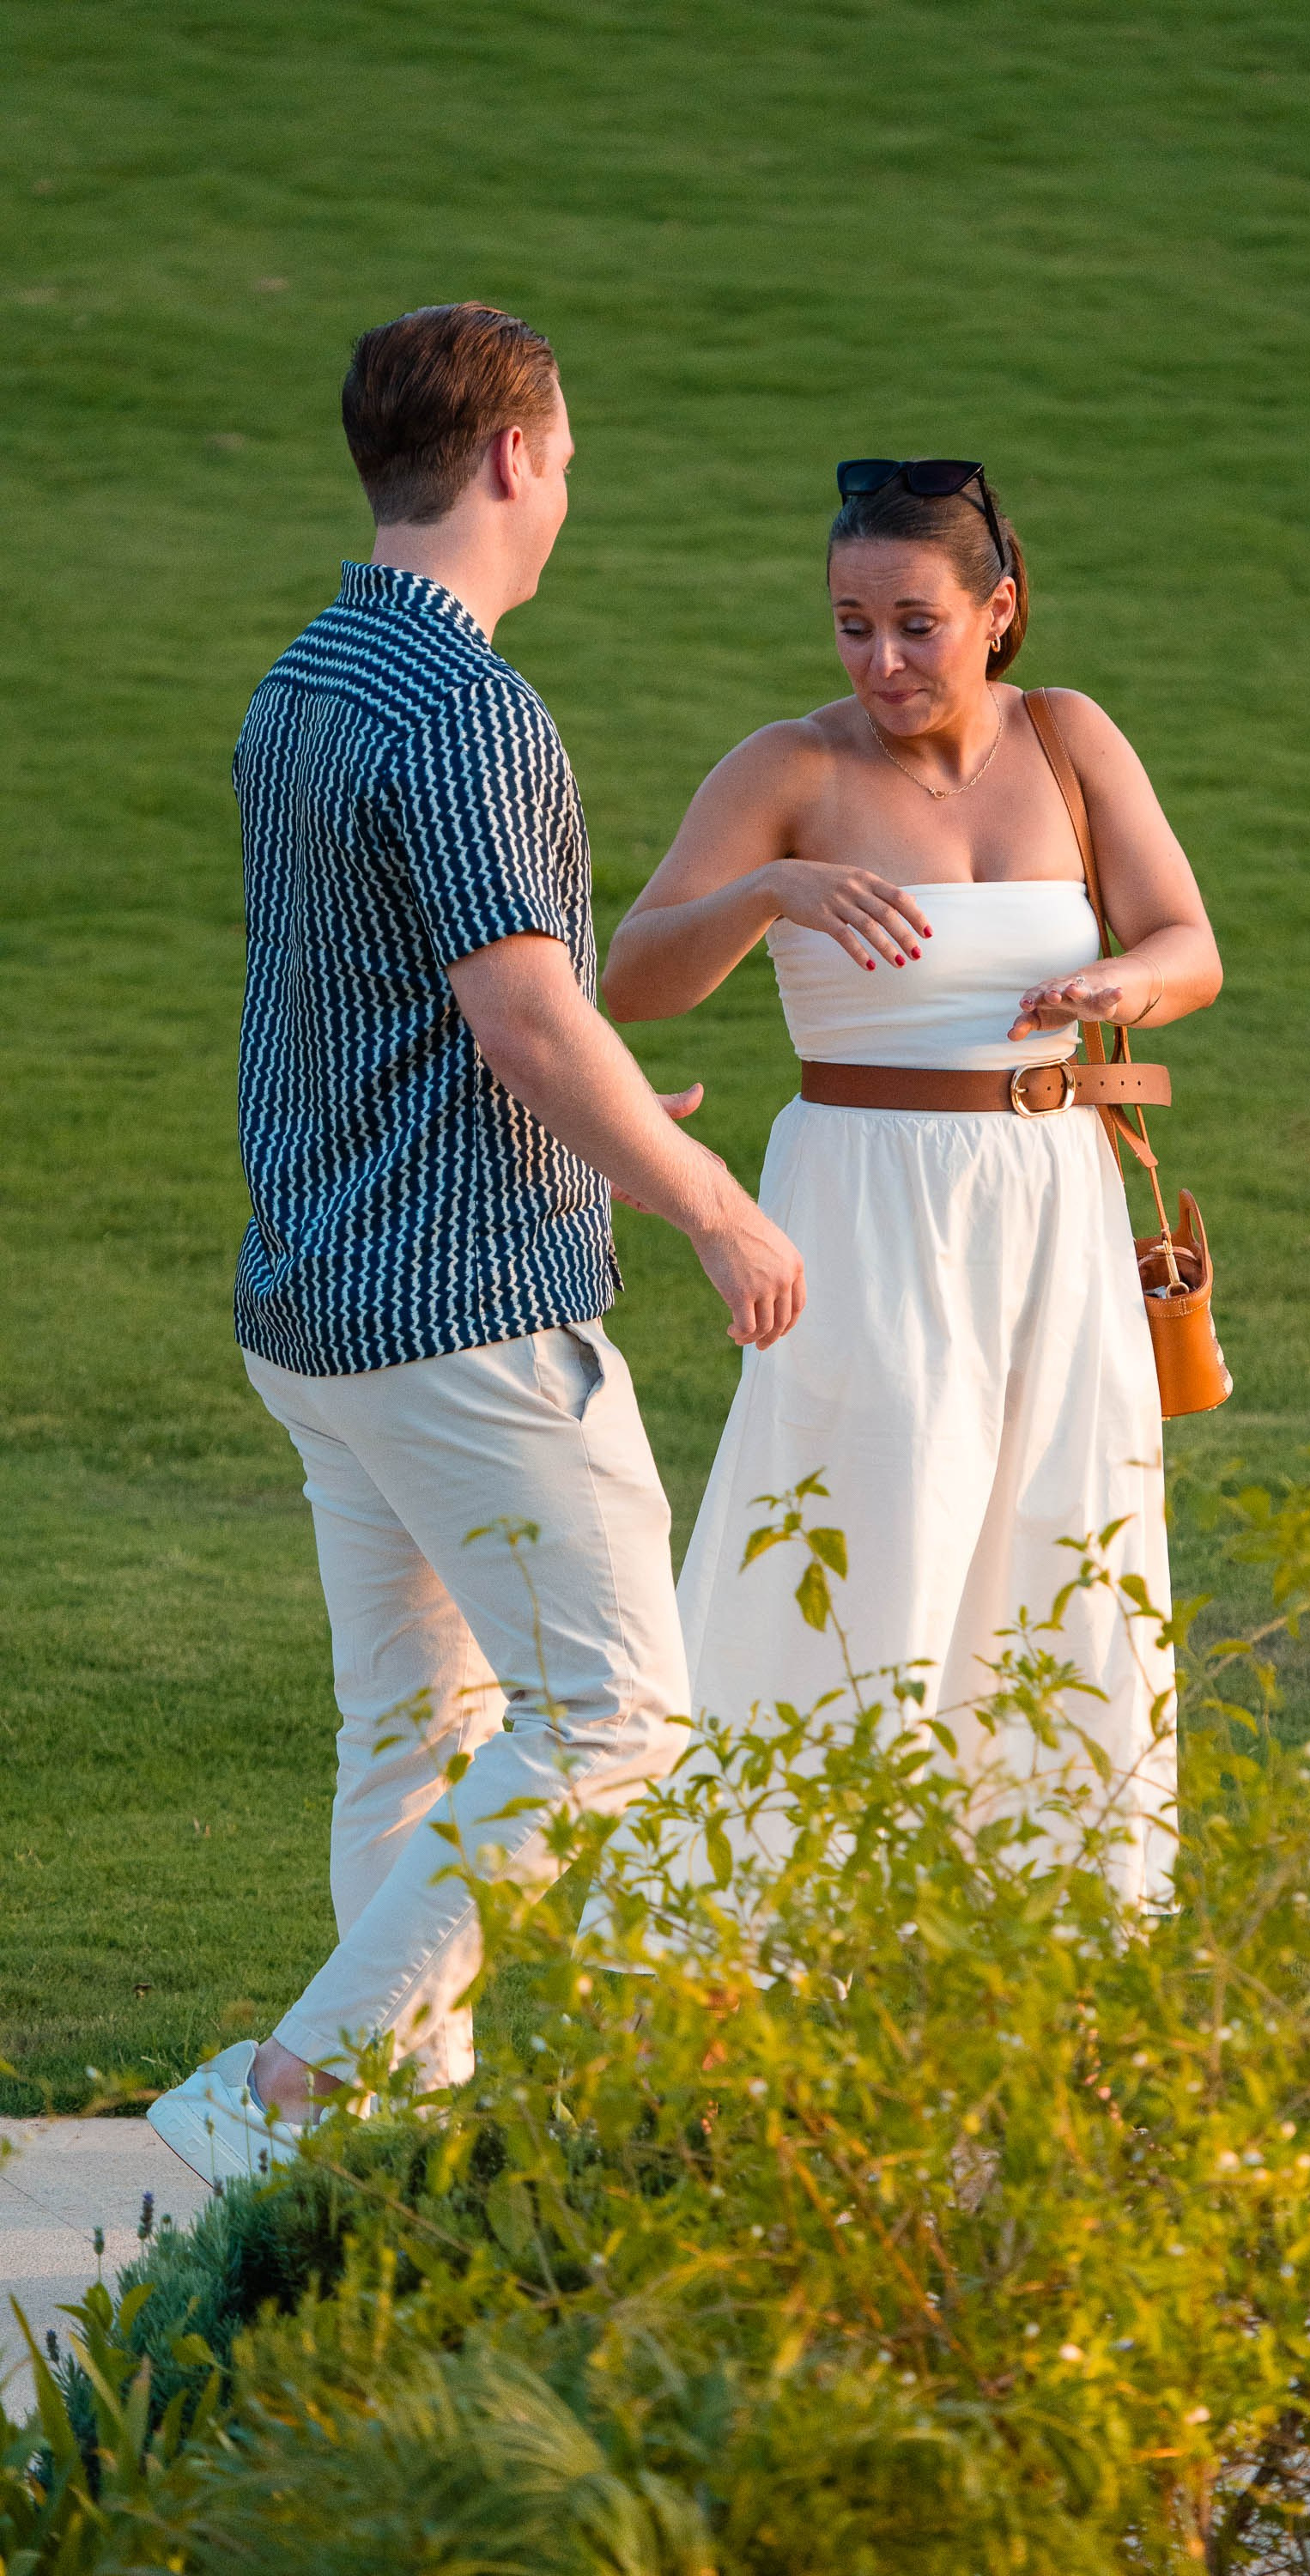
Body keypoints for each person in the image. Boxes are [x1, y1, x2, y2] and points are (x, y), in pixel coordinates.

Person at [148, 304, 804, 2184]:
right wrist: (714, 1205)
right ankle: (287, 2090)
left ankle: (364, 2167)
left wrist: (592, 1104)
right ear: (514, 457)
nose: (569, 488)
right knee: (613, 1711)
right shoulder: (460, 706)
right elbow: (523, 1014)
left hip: (320, 1311)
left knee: (414, 1740)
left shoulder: (308, 679)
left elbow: (406, 1007)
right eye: (571, 457)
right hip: (465, 1319)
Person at [603, 459, 1222, 1906]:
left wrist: (1123, 976)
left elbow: (1190, 941)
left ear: (996, 610)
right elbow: (631, 980)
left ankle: (1063, 1924)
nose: (880, 660)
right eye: (849, 624)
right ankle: (771, 1926)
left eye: (916, 624)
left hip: (1054, 1204)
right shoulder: (791, 769)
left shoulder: (1071, 739)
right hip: (865, 1212)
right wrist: (769, 895)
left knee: (1065, 1539)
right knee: (863, 1536)